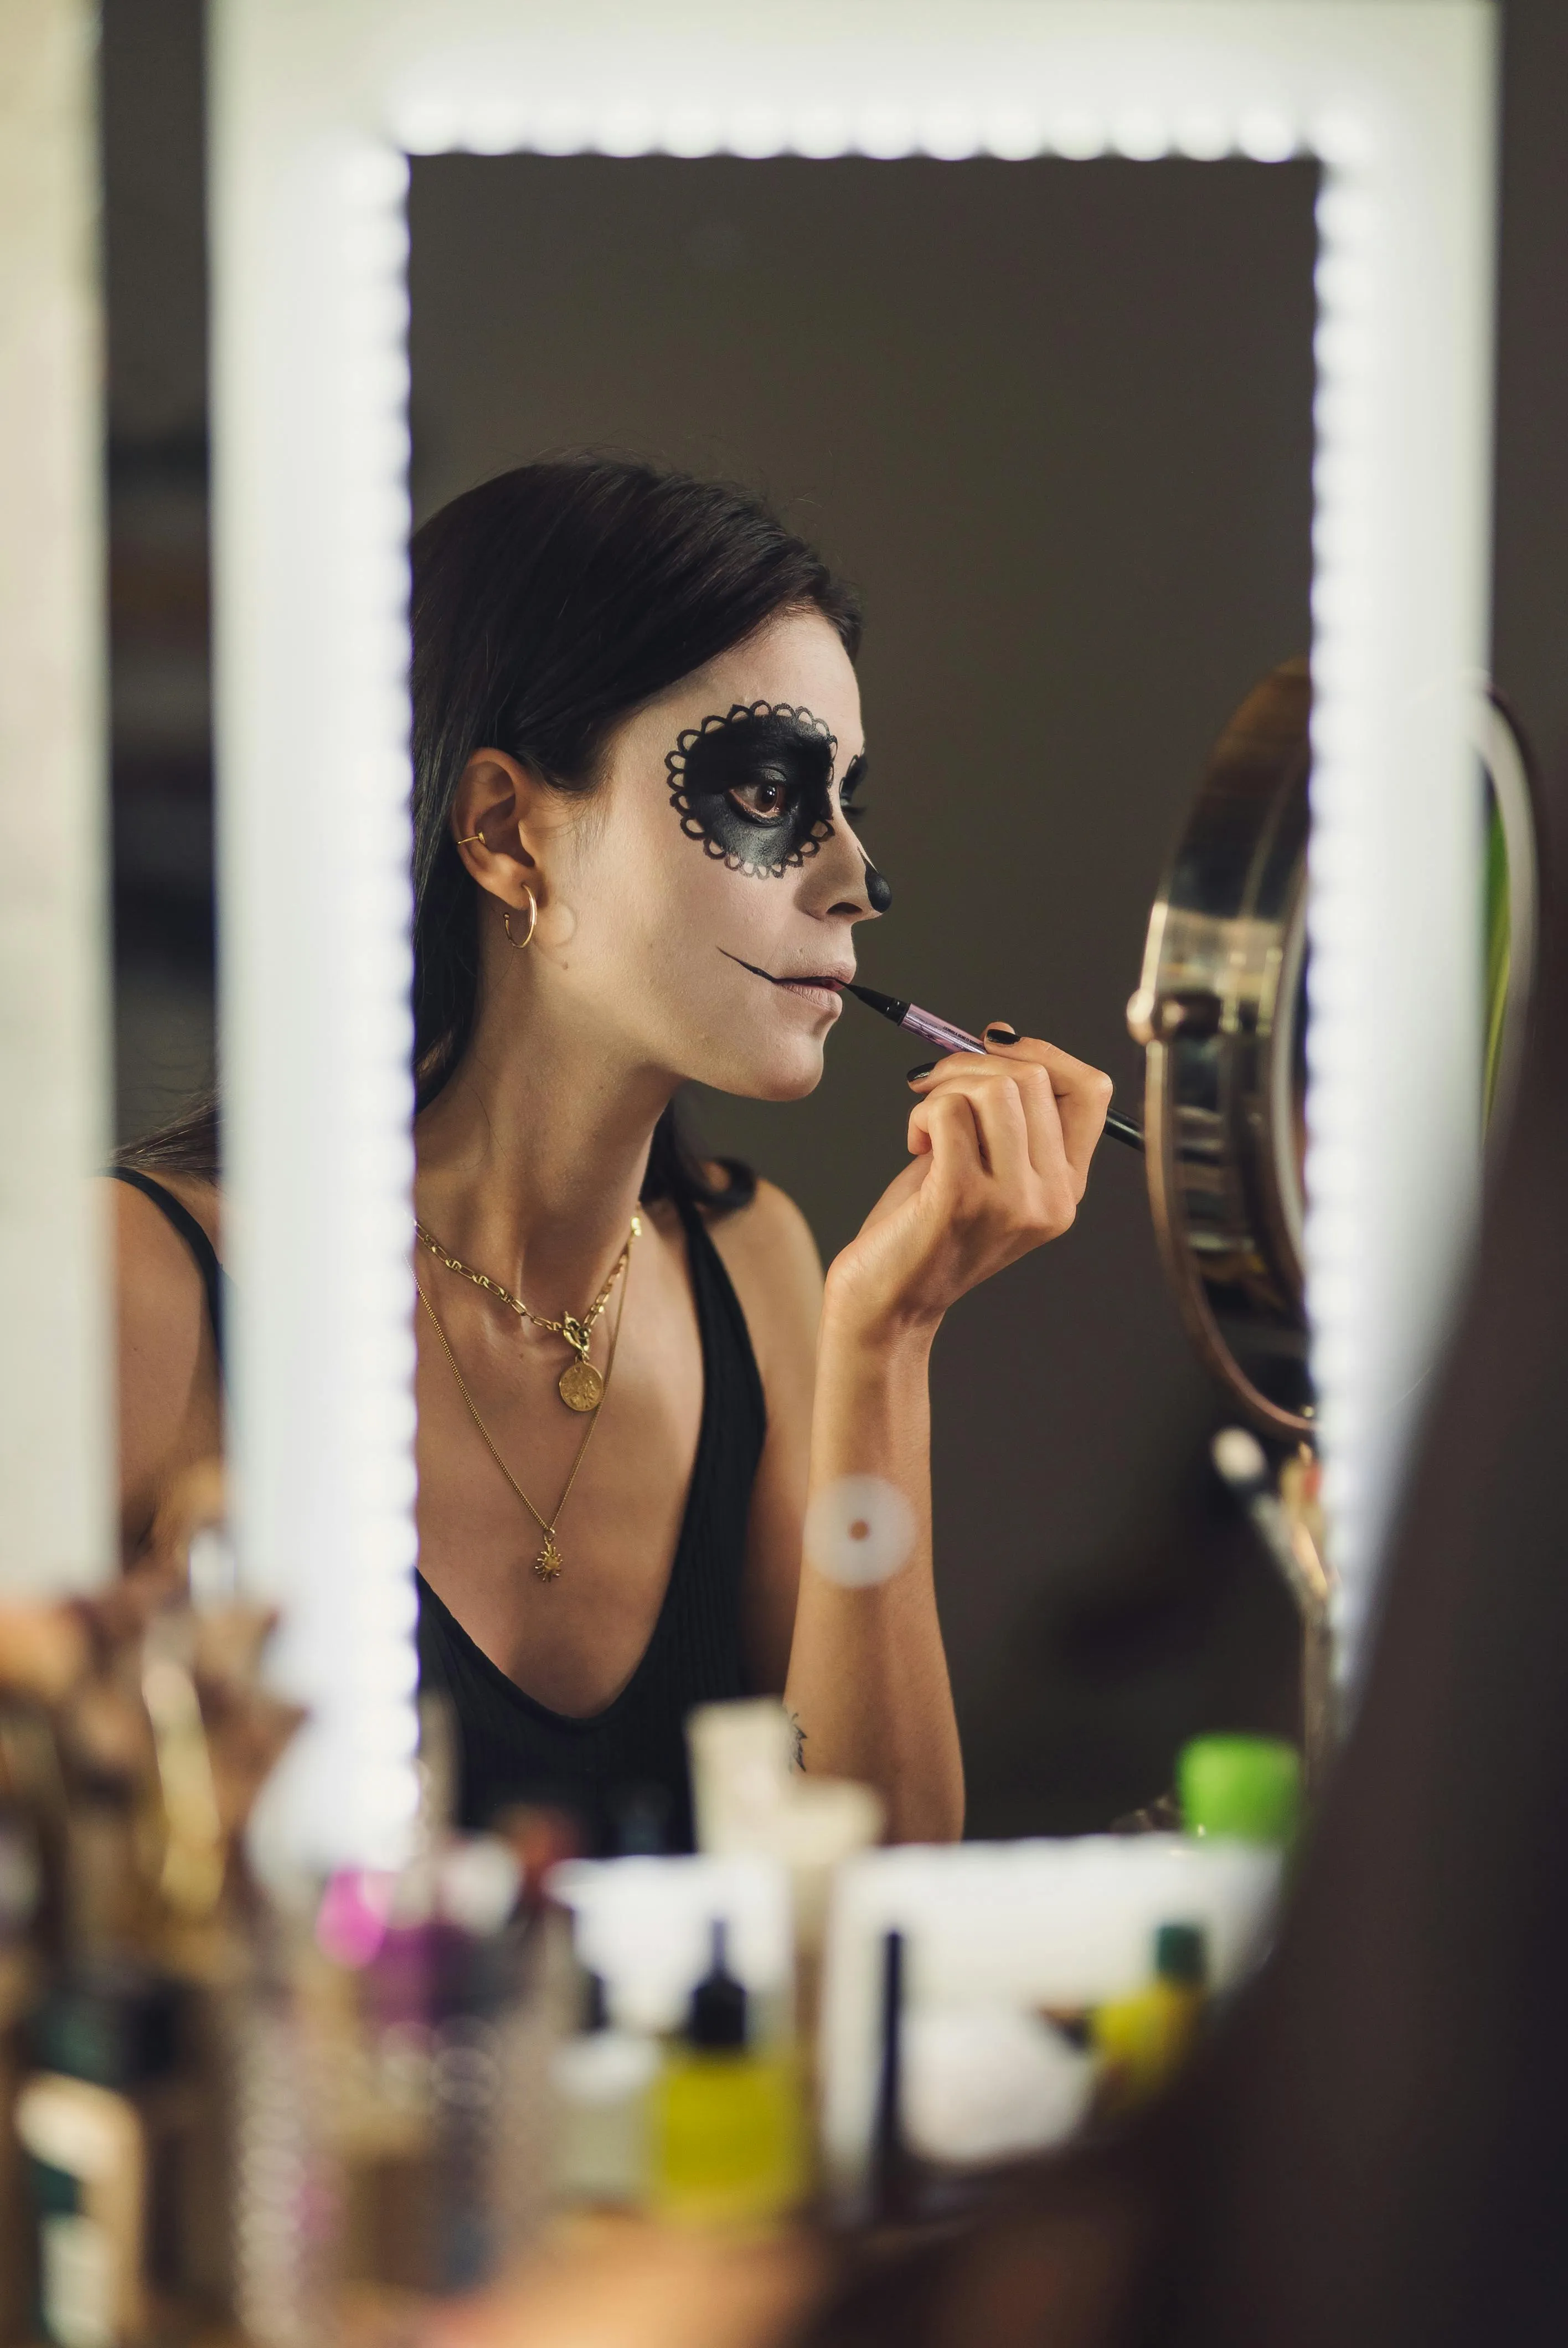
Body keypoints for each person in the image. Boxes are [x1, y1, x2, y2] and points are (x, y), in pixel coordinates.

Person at [111, 456, 1113, 1851]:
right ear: (507, 833)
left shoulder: (758, 1267)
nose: (858, 881)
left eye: (848, 800)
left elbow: (877, 1875)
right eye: (768, 791)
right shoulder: (143, 1289)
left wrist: (888, 1338)